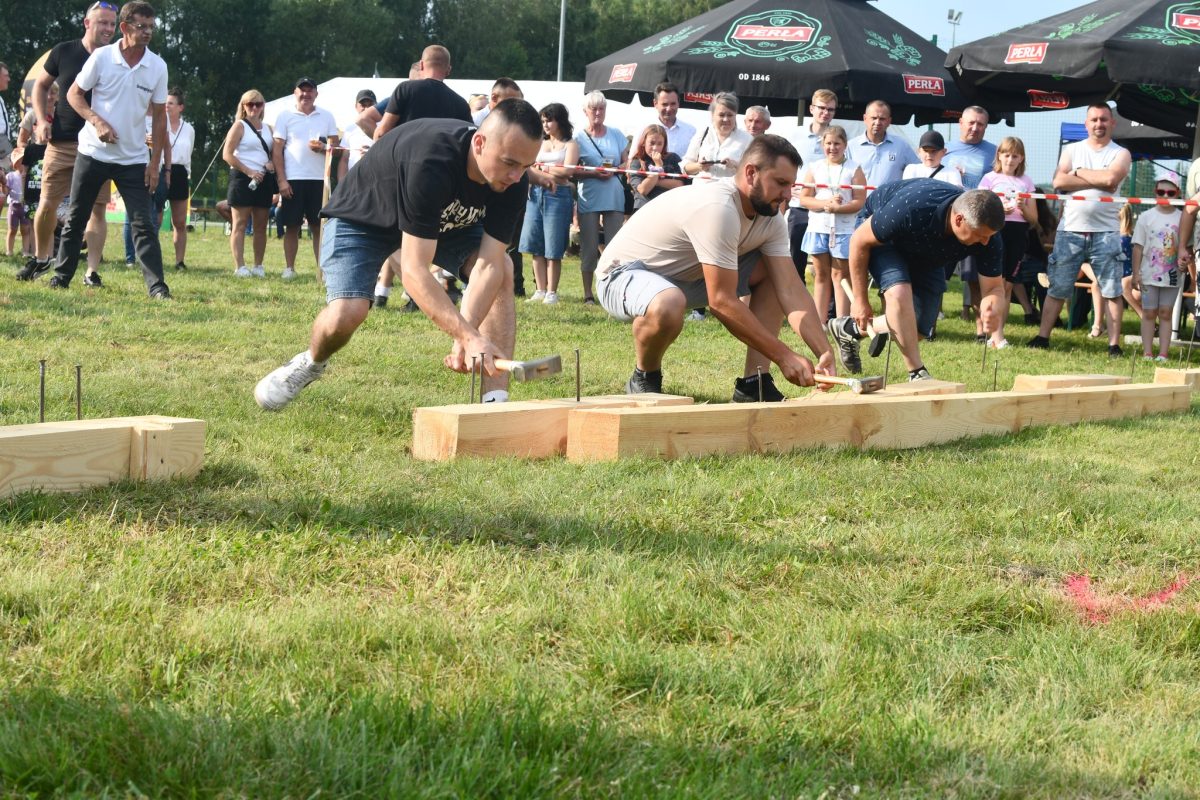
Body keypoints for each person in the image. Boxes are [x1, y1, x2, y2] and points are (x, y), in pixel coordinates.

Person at [254, 99, 542, 411]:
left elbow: (488, 265)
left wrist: (466, 335)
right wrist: (469, 336)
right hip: (364, 218)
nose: (516, 176)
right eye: (510, 163)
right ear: (480, 142)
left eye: (525, 167)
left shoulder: (513, 181)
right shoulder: (432, 161)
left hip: (442, 222)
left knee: (503, 269)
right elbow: (414, 271)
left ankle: (495, 403)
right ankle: (310, 362)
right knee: (347, 314)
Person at [596, 134, 835, 401]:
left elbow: (790, 288)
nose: (786, 195)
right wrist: (784, 356)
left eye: (791, 185)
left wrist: (823, 350)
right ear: (751, 173)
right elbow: (721, 301)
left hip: (683, 280)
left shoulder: (770, 219)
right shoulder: (718, 207)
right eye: (780, 183)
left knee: (774, 274)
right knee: (668, 303)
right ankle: (645, 375)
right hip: (621, 274)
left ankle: (754, 383)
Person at [46, 0, 171, 299]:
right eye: (141, 27)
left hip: (133, 160)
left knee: (143, 225)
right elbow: (73, 94)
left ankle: (157, 288)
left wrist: (154, 165)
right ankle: (61, 278)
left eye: (151, 27)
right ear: (125, 28)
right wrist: (96, 120)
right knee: (77, 217)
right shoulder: (101, 58)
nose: (147, 32)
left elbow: (160, 118)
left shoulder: (158, 66)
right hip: (92, 153)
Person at [835, 180, 1006, 381]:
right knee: (899, 293)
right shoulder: (911, 208)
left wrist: (991, 305)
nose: (985, 242)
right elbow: (859, 241)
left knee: (919, 329)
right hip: (885, 238)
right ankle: (917, 372)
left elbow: (994, 287)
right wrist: (860, 299)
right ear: (959, 220)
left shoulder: (988, 236)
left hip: (926, 250)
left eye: (989, 236)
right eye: (980, 236)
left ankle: (849, 330)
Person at [19, 0, 118, 285]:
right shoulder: (63, 51)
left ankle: (91, 271)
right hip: (62, 142)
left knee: (97, 209)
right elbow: (40, 84)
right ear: (87, 23)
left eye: (112, 24)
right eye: (103, 22)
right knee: (47, 204)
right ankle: (41, 259)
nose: (109, 29)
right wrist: (42, 120)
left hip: (100, 147)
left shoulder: (117, 57)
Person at [1028, 104, 1132, 355]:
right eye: (1094, 119)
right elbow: (1058, 181)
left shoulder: (1121, 153)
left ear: (1112, 123)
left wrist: (1078, 173)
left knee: (1111, 290)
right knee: (1058, 288)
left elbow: (1111, 181)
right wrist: (1092, 177)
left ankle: (1114, 345)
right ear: (1086, 124)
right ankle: (1043, 337)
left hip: (1107, 232)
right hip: (1070, 230)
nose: (1099, 124)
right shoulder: (1071, 149)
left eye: (1104, 119)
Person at [796, 125, 865, 363]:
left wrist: (839, 208)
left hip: (844, 230)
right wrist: (825, 204)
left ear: (845, 145)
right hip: (819, 227)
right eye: (828, 144)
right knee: (820, 275)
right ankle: (820, 323)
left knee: (840, 275)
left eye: (837, 143)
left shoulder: (853, 169)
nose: (832, 148)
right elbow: (804, 198)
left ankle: (843, 322)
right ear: (822, 145)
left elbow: (859, 201)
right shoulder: (814, 168)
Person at [272, 76, 340, 280]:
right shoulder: (285, 116)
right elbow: (277, 152)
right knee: (291, 225)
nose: (306, 94)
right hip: (293, 178)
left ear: (316, 94)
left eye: (310, 90)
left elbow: (336, 148)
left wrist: (324, 148)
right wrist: (282, 181)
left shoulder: (326, 116)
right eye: (302, 90)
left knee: (318, 226)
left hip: (320, 180)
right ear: (295, 93)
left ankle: (322, 270)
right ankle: (289, 268)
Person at [565, 90, 626, 305]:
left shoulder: (617, 134)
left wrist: (616, 170)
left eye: (601, 108)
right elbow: (571, 171)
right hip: (589, 196)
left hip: (614, 195)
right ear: (585, 112)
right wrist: (592, 172)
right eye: (593, 109)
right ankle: (588, 293)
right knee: (589, 246)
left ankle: (613, 291)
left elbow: (627, 164)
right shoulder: (578, 138)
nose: (598, 112)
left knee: (614, 246)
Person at [977, 136, 1037, 348]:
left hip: (1018, 233)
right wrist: (999, 209)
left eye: (1015, 156)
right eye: (1007, 155)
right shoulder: (989, 178)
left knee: (1008, 285)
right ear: (999, 156)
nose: (1010, 159)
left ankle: (997, 335)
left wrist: (1023, 207)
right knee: (997, 284)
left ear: (1021, 158)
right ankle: (995, 336)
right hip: (996, 231)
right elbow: (979, 210)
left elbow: (1033, 219)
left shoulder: (1027, 182)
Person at [943, 106, 998, 331]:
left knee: (975, 278)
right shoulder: (945, 150)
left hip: (978, 225)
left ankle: (980, 329)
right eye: (971, 123)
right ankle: (930, 323)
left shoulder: (994, 153)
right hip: (949, 221)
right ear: (961, 123)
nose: (975, 128)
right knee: (938, 274)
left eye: (981, 124)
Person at [519, 102, 575, 304]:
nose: (545, 124)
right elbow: (528, 167)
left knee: (553, 245)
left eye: (549, 120)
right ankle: (540, 290)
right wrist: (550, 169)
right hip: (535, 193)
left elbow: (568, 171)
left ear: (559, 121)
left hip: (559, 195)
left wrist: (542, 168)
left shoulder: (571, 144)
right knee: (536, 244)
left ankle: (552, 292)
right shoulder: (539, 142)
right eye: (543, 120)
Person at [222, 89, 275, 277]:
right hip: (242, 178)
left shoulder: (269, 128)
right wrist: (249, 171)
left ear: (263, 106)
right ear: (243, 106)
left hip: (263, 178)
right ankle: (240, 266)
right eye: (250, 104)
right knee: (240, 224)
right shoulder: (239, 126)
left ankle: (258, 265)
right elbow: (227, 155)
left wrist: (272, 164)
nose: (254, 107)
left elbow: (274, 153)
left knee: (261, 225)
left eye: (258, 104)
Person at [786, 89, 839, 277]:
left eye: (831, 110)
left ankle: (830, 307)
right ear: (811, 109)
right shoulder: (795, 136)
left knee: (830, 264)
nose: (826, 113)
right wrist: (787, 188)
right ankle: (792, 305)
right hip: (799, 207)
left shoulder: (839, 140)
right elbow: (784, 166)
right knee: (794, 261)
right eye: (822, 108)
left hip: (828, 210)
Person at [1132, 177, 1184, 361]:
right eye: (1160, 192)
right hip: (1148, 274)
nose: (1165, 196)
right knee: (1148, 312)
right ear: (1155, 192)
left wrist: (1187, 262)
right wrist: (1135, 273)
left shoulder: (1182, 217)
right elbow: (1137, 247)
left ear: (1177, 193)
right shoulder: (1146, 217)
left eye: (1170, 193)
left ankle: (1163, 353)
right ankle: (1147, 352)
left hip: (1173, 276)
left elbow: (1187, 247)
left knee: (1165, 313)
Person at [374, 45, 470, 140]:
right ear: (449, 70)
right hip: (443, 154)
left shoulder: (405, 89)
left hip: (406, 153)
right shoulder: (461, 104)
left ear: (421, 65)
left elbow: (381, 133)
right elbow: (469, 139)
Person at [682, 93, 752, 181]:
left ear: (735, 115)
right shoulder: (703, 134)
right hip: (701, 190)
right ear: (712, 115)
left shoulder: (747, 139)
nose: (726, 119)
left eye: (730, 115)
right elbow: (685, 168)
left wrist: (735, 165)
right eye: (721, 115)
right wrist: (699, 166)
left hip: (730, 191)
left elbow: (755, 172)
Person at [848, 100, 917, 190]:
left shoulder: (901, 146)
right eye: (874, 118)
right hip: (861, 203)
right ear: (865, 119)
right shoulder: (851, 146)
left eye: (882, 119)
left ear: (889, 121)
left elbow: (918, 170)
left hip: (892, 202)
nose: (877, 122)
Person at [627, 123, 684, 212]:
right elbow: (643, 189)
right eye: (652, 143)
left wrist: (654, 182)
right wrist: (658, 167)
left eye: (659, 144)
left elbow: (679, 184)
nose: (655, 148)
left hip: (668, 207)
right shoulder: (636, 161)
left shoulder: (673, 158)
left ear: (664, 144)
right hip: (644, 208)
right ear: (643, 143)